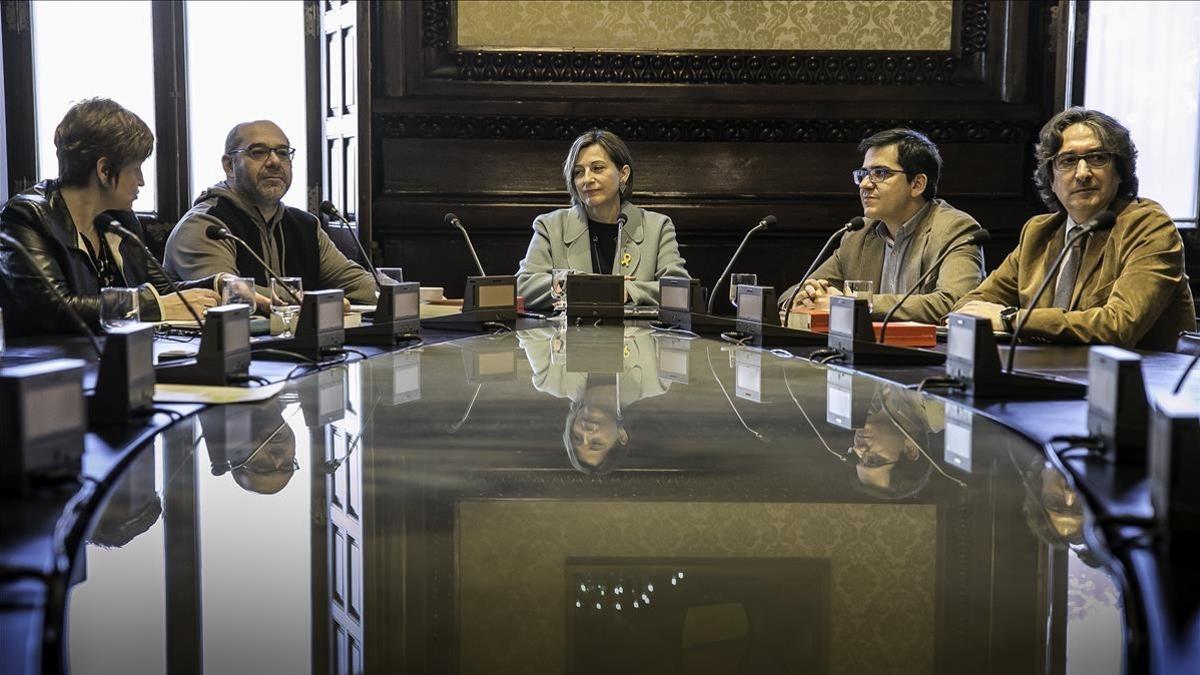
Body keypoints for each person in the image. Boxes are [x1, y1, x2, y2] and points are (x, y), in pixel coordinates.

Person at [954, 108, 1195, 350]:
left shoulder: (1149, 227)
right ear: (1051, 178)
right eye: (1068, 161)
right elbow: (971, 305)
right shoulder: (1039, 232)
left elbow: (1119, 326)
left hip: (1138, 382)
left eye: (1097, 158)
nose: (1082, 174)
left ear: (1120, 171)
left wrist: (1011, 319)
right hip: (1048, 374)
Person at [0, 98, 220, 335]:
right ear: (104, 171)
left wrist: (219, 284)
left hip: (116, 359)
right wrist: (150, 307)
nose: (142, 181)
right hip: (54, 366)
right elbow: (54, 308)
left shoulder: (118, 221)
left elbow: (164, 291)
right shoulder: (26, 216)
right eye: (136, 168)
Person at [780, 128, 985, 325]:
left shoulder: (956, 229)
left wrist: (854, 305)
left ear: (917, 184)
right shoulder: (858, 233)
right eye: (863, 173)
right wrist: (807, 296)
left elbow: (955, 302)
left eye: (880, 173)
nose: (865, 184)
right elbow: (793, 293)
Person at [164, 120, 376, 309]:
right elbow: (233, 297)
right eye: (258, 152)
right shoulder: (206, 225)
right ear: (229, 165)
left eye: (283, 153)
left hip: (296, 348)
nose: (274, 161)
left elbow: (357, 283)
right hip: (225, 350)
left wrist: (401, 296)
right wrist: (321, 301)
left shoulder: (304, 225)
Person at [516, 129, 688, 310]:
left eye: (597, 168)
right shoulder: (550, 226)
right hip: (569, 336)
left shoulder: (657, 227)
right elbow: (523, 286)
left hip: (637, 337)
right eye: (578, 172)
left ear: (623, 174)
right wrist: (585, 285)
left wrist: (629, 290)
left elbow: (681, 291)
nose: (587, 179)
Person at [518, 324, 670, 474]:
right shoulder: (657, 381)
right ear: (622, 435)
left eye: (576, 437)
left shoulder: (550, 380)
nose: (586, 433)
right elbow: (675, 327)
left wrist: (574, 324)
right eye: (596, 443)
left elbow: (528, 329)